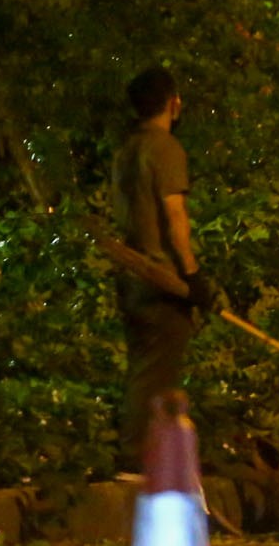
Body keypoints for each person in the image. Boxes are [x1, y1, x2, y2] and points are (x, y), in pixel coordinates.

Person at [111, 66, 221, 469]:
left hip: (131, 277)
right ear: (173, 103)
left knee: (143, 368)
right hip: (161, 281)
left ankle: (139, 456)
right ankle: (137, 462)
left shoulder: (126, 149)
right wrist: (192, 276)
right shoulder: (165, 148)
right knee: (157, 376)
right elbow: (175, 215)